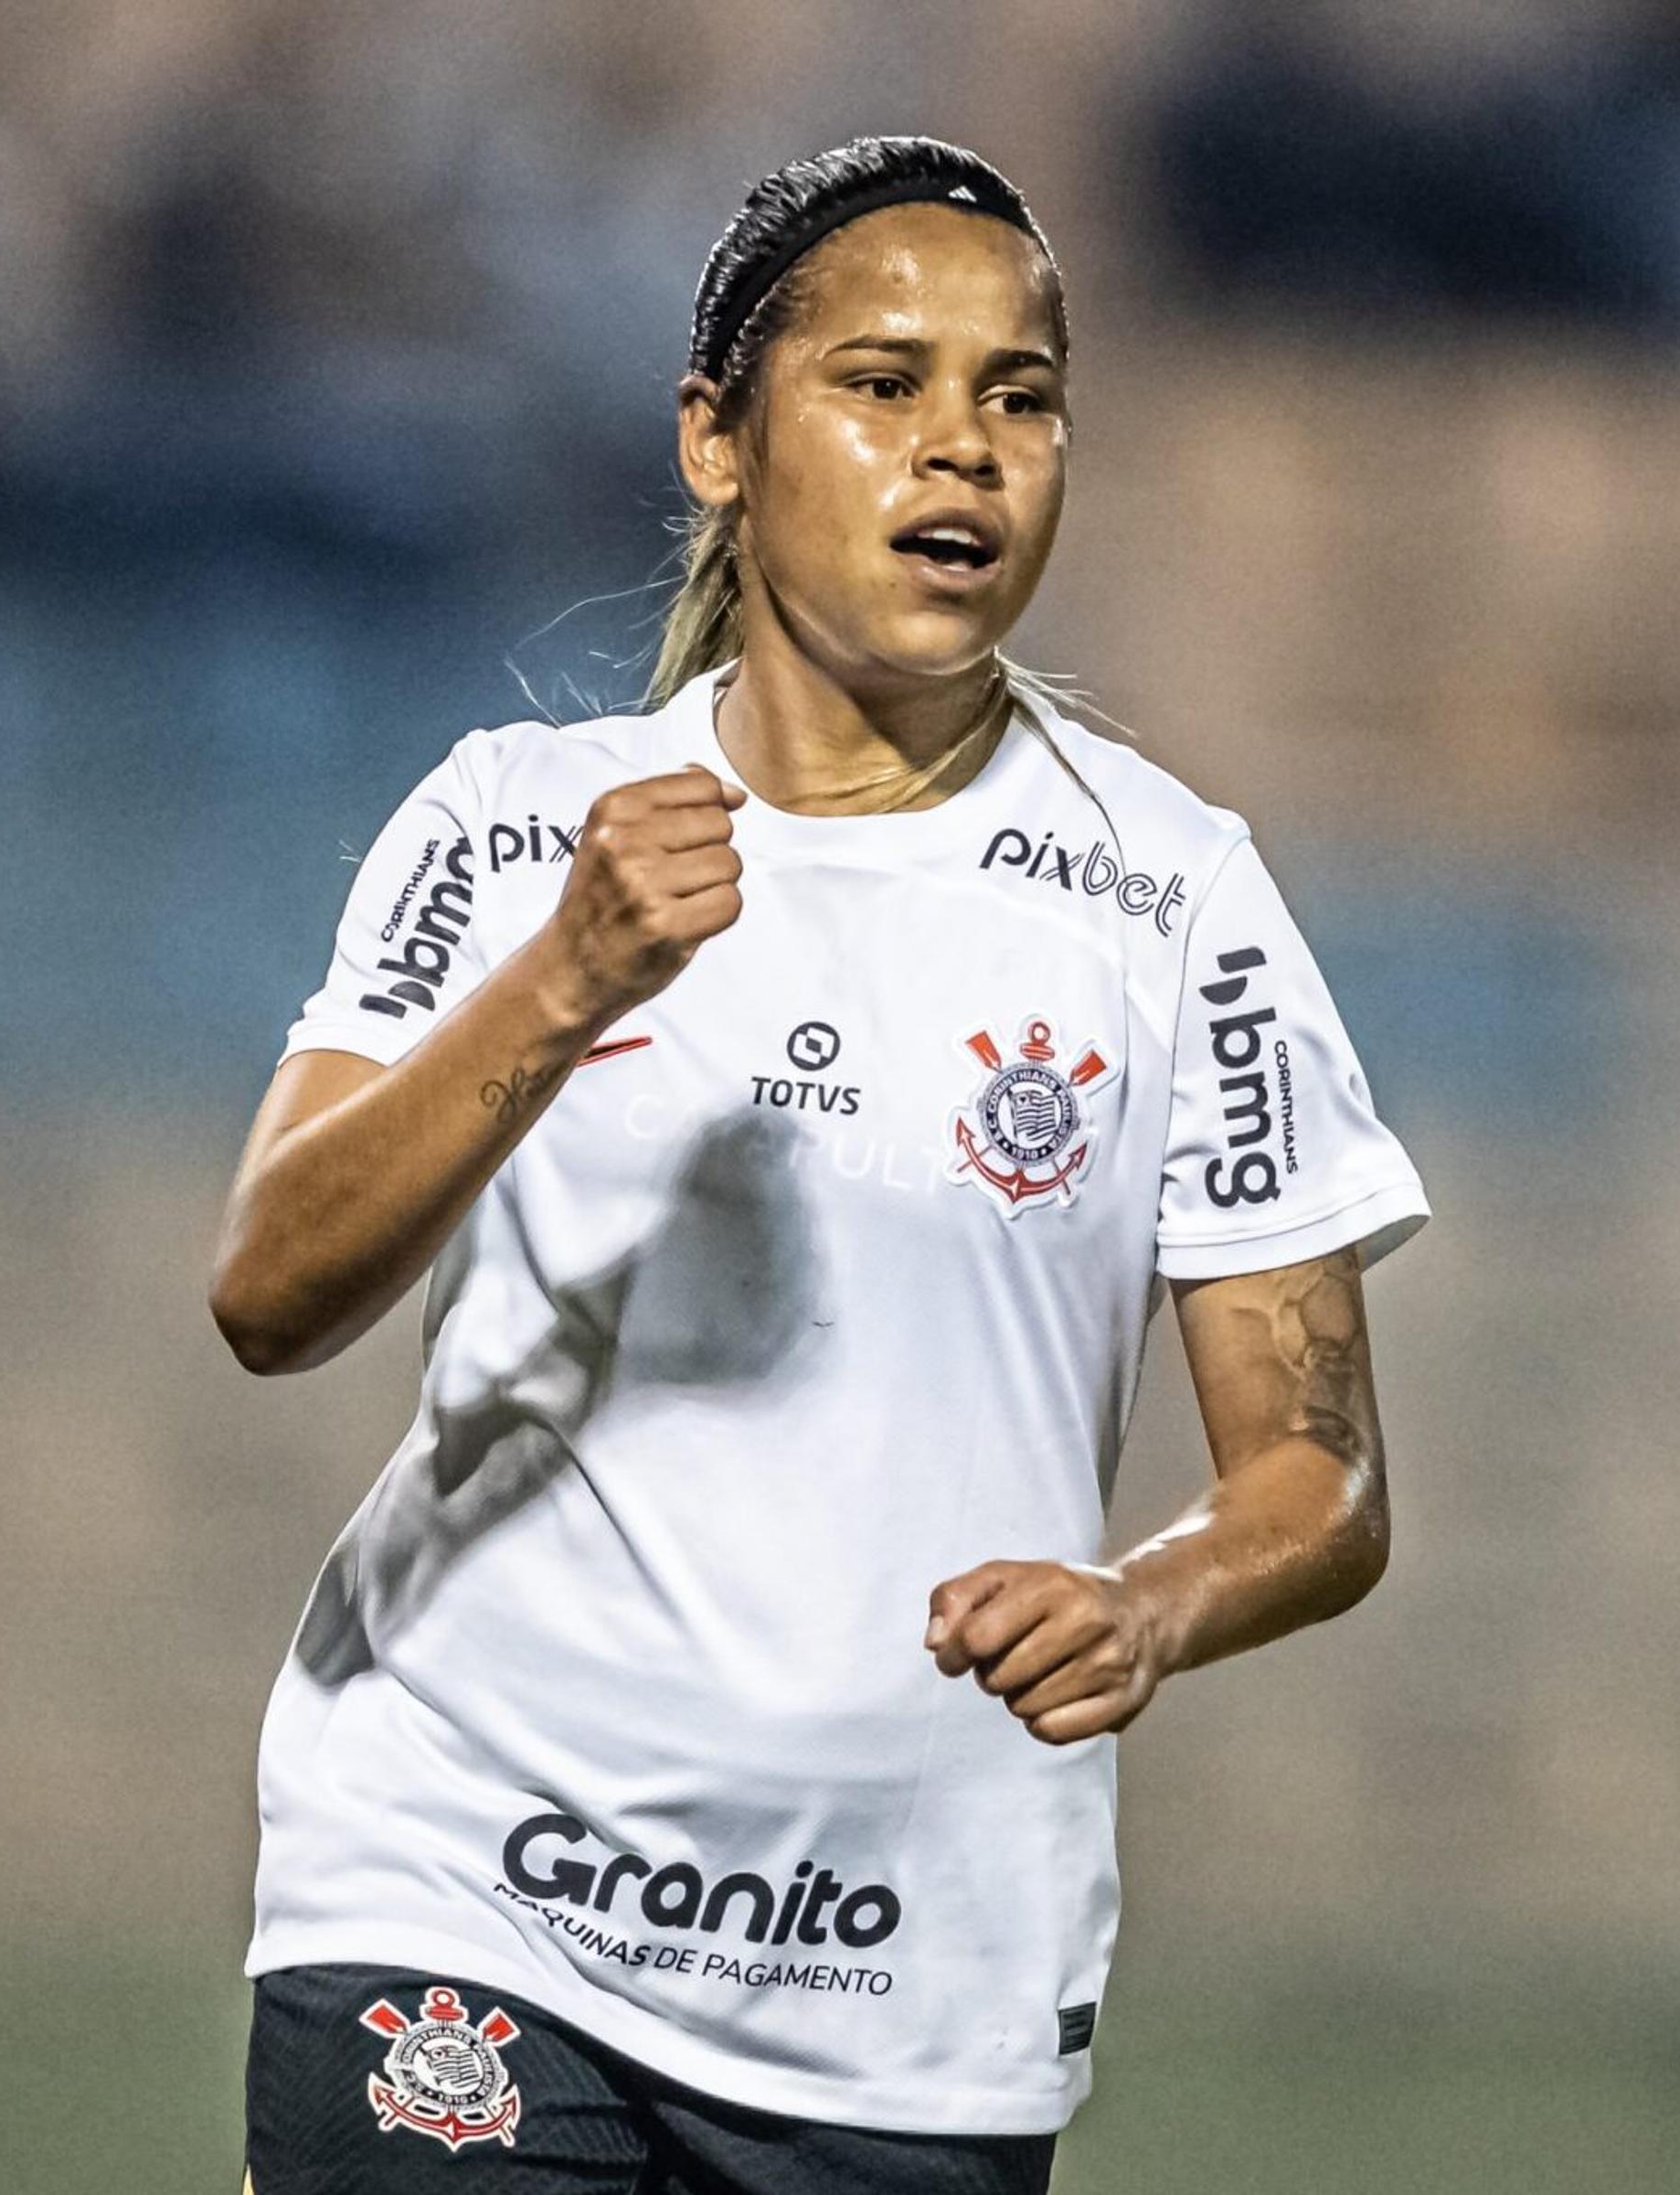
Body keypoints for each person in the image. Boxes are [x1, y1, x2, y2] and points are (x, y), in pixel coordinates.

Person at [211, 136, 1430, 2192]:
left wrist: (1153, 1604)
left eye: (1019, 399)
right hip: (462, 1881)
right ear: (717, 438)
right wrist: (562, 980)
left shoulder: (1173, 900)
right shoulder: (519, 828)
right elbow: (269, 1286)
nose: (963, 449)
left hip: (908, 1995)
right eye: (884, 385)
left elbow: (1320, 1475)